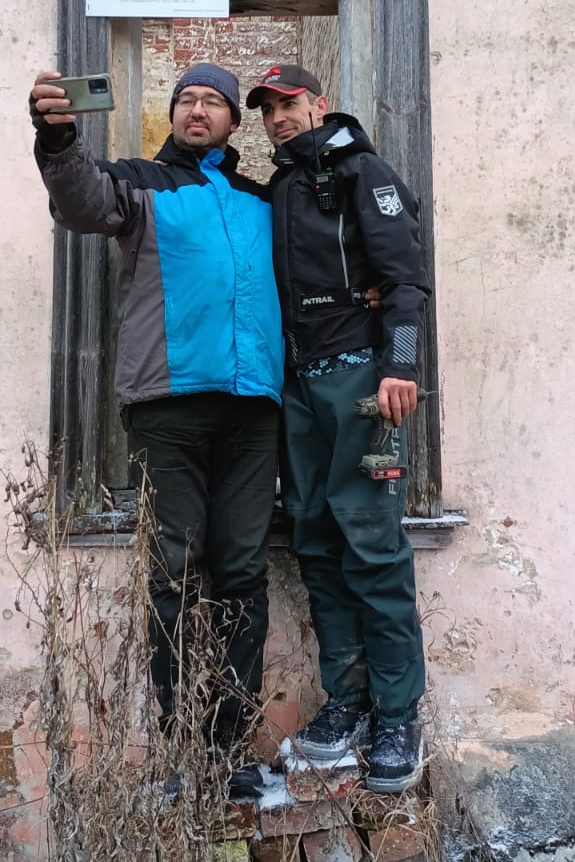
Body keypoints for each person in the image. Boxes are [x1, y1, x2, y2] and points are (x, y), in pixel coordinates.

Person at [30, 62, 283, 798]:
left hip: (253, 408)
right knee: (174, 572)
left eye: (213, 102)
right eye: (186, 100)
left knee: (242, 574)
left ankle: (229, 749)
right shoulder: (138, 183)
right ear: (172, 115)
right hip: (167, 405)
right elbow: (81, 200)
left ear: (233, 120)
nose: (198, 111)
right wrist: (59, 138)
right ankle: (180, 749)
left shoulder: (260, 199)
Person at [247, 63, 432, 794]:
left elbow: (406, 277)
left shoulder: (361, 172)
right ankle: (347, 699)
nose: (278, 118)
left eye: (288, 104)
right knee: (317, 539)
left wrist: (400, 365)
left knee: (372, 544)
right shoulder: (284, 187)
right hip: (298, 384)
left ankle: (398, 714)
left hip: (362, 381)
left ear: (318, 104)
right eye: (267, 109)